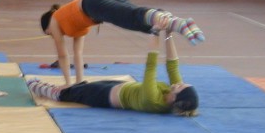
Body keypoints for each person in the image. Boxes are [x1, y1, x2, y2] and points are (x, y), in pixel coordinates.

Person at [40, 0, 205, 85]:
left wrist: (67, 84)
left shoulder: (55, 21)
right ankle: (172, 22)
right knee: (140, 24)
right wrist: (78, 83)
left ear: (48, 28)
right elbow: (78, 54)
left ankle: (177, 22)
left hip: (93, 2)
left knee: (131, 17)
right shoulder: (72, 25)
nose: (52, 35)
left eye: (48, 34)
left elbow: (63, 56)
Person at [27, 29, 199, 116]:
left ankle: (36, 86)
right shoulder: (172, 95)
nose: (179, 83)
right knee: (81, 87)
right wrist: (168, 34)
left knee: (68, 94)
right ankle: (48, 87)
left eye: (181, 86)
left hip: (104, 96)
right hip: (119, 87)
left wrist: (154, 32)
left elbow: (151, 66)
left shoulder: (152, 99)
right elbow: (172, 66)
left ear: (175, 97)